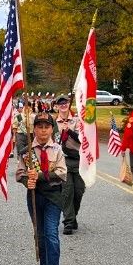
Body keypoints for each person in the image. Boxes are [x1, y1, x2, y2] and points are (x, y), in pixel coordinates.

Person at [15, 111, 67, 265]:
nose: (43, 131)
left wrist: (39, 176)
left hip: (53, 196)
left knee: (51, 232)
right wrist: (26, 181)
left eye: (47, 127)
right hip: (35, 197)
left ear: (52, 129)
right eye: (39, 127)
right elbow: (20, 173)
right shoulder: (27, 152)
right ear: (34, 130)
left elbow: (62, 173)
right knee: (40, 233)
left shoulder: (57, 150)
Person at [53, 95, 85, 235]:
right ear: (57, 106)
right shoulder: (54, 123)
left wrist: (69, 131)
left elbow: (83, 139)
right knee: (67, 192)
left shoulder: (78, 120)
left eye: (65, 102)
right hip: (62, 161)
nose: (63, 105)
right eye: (60, 104)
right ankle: (68, 221)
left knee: (78, 191)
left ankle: (73, 216)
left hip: (78, 160)